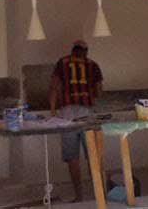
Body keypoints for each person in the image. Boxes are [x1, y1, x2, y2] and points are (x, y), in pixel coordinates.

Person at [49, 39, 103, 203]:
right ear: (86, 51)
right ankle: (99, 194)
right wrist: (91, 96)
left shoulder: (62, 62)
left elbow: (54, 86)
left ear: (73, 50)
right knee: (92, 153)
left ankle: (79, 196)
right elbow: (99, 90)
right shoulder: (92, 65)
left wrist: (53, 110)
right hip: (87, 112)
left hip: (67, 113)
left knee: (72, 156)